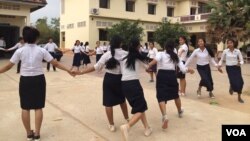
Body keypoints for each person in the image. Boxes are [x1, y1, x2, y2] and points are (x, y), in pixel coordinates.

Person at [0, 26, 74, 141]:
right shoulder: (42, 50)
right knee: (38, 107)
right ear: (37, 38)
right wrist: (69, 70)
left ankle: (29, 134)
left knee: (25, 108)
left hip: (25, 80)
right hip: (38, 79)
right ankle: (37, 134)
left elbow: (9, 66)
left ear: (24, 39)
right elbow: (55, 63)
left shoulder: (20, 51)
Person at [77, 35, 129, 132]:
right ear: (121, 43)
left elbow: (96, 67)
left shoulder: (107, 54)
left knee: (108, 103)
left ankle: (111, 125)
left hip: (109, 79)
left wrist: (81, 72)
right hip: (121, 79)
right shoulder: (126, 53)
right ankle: (127, 119)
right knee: (122, 100)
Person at [147, 39, 194, 129]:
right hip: (172, 76)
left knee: (161, 96)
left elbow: (154, 61)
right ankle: (180, 111)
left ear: (165, 47)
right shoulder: (175, 56)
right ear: (173, 48)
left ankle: (165, 116)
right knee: (175, 95)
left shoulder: (161, 54)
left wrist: (148, 66)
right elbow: (183, 69)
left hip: (161, 76)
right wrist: (189, 70)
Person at [119, 37, 152, 141]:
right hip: (134, 84)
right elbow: (147, 67)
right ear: (138, 46)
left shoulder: (124, 59)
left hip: (124, 84)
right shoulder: (138, 58)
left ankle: (147, 128)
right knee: (141, 108)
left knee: (140, 107)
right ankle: (127, 127)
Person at [218, 39, 244, 103]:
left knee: (241, 82)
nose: (229, 44)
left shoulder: (237, 51)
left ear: (233, 43)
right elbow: (221, 60)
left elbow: (242, 60)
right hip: (229, 68)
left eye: (231, 43)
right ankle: (232, 86)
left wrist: (240, 63)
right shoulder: (225, 51)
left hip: (237, 68)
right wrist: (219, 66)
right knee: (233, 81)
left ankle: (239, 97)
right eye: (228, 43)